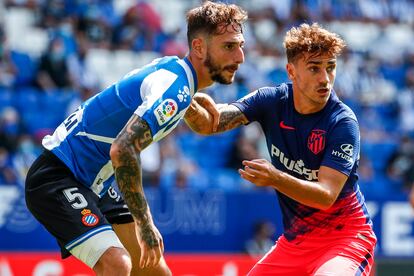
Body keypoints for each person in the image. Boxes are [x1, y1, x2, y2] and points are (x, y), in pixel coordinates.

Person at [25, 1, 247, 275]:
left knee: (154, 270)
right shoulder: (175, 88)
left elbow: (178, 109)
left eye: (241, 45)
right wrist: (145, 223)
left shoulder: (177, 77)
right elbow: (123, 149)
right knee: (117, 263)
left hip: (100, 179)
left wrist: (197, 103)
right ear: (199, 47)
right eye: (229, 46)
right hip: (59, 176)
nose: (240, 57)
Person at [185, 23, 377, 275]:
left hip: (345, 238)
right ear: (291, 71)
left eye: (330, 67)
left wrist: (275, 178)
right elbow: (212, 122)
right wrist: (183, 99)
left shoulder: (342, 122)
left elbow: (325, 196)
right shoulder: (271, 100)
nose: (325, 78)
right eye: (314, 68)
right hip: (297, 242)